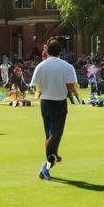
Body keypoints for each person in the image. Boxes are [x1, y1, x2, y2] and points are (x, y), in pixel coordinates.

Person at [30, 40, 78, 180]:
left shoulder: (40, 66)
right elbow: (71, 86)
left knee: (50, 135)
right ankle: (48, 162)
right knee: (56, 134)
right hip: (59, 102)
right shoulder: (67, 66)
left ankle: (51, 158)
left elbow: (36, 86)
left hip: (45, 102)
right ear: (60, 52)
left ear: (47, 51)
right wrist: (76, 97)